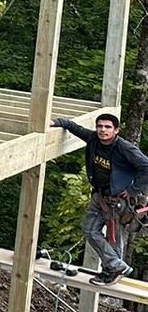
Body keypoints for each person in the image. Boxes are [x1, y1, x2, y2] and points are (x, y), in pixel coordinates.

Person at [52, 112, 143, 284]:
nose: (103, 130)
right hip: (100, 196)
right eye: (100, 126)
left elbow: (146, 167)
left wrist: (132, 190)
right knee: (89, 230)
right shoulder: (94, 139)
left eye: (108, 127)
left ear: (116, 130)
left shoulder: (124, 148)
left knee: (114, 238)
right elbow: (73, 127)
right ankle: (116, 266)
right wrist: (54, 122)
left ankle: (111, 271)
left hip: (118, 201)